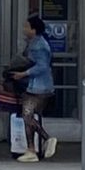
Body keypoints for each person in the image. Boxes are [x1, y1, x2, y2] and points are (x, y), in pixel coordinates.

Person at [15, 15, 59, 162]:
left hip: (38, 88)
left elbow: (42, 66)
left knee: (27, 115)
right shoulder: (35, 43)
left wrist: (23, 74)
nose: (24, 29)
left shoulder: (38, 45)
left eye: (27, 26)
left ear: (34, 29)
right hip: (37, 87)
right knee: (27, 116)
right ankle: (31, 150)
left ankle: (46, 139)